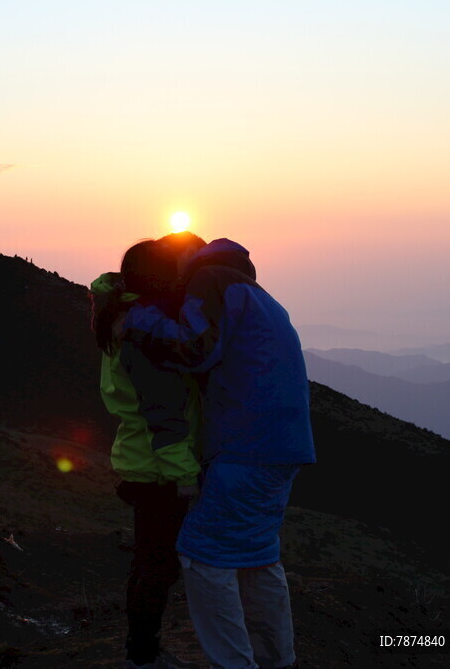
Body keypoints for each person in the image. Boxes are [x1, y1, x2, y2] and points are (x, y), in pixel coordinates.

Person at [122, 235, 315, 669]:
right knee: (257, 556)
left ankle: (233, 663)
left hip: (245, 447)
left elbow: (193, 349)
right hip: (286, 446)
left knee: (203, 552)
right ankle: (276, 659)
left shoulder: (210, 280)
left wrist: (141, 319)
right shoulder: (259, 294)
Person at [90, 239, 202, 668]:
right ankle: (143, 655)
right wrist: (184, 476)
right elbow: (163, 413)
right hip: (158, 469)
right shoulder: (144, 332)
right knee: (157, 565)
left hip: (141, 462)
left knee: (148, 560)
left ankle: (141, 649)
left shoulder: (124, 319)